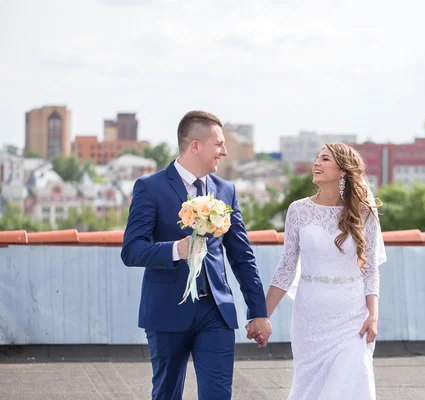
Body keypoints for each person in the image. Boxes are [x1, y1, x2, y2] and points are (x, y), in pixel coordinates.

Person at [121, 110, 272, 400]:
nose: (224, 152)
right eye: (219, 144)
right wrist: (174, 250)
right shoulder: (150, 188)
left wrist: (258, 312)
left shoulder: (226, 191)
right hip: (167, 311)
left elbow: (242, 256)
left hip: (216, 312)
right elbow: (131, 250)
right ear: (195, 146)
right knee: (166, 394)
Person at [258, 143, 387, 399]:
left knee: (354, 380)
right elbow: (286, 268)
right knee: (311, 388)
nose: (316, 163)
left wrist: (373, 315)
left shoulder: (363, 211)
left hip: (352, 316)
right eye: (316, 158)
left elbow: (371, 269)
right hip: (310, 315)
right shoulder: (298, 210)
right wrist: (262, 317)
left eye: (325, 159)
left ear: (342, 171)